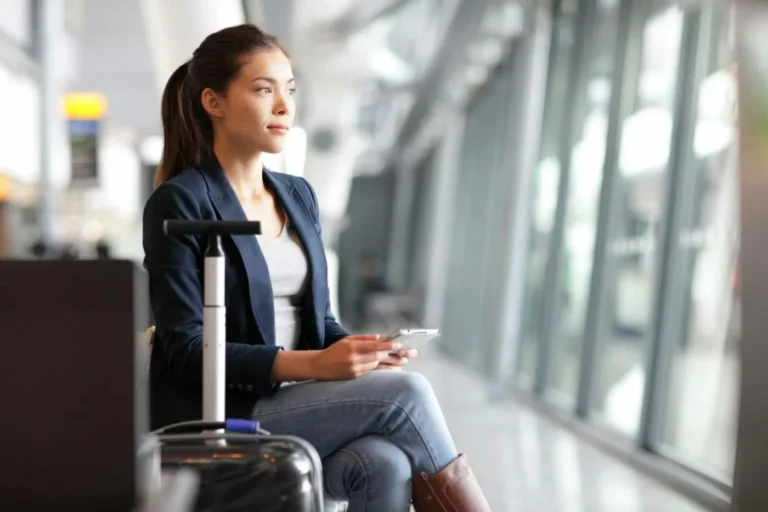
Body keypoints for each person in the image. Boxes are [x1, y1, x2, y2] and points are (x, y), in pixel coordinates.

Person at [142, 24, 491, 512]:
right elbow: (185, 351)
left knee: (383, 461)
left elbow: (319, 322)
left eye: (289, 90)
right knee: (405, 395)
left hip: (296, 398)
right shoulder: (180, 202)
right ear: (214, 102)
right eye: (264, 90)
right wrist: (314, 365)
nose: (284, 106)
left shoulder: (297, 194)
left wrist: (357, 351)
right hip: (226, 410)